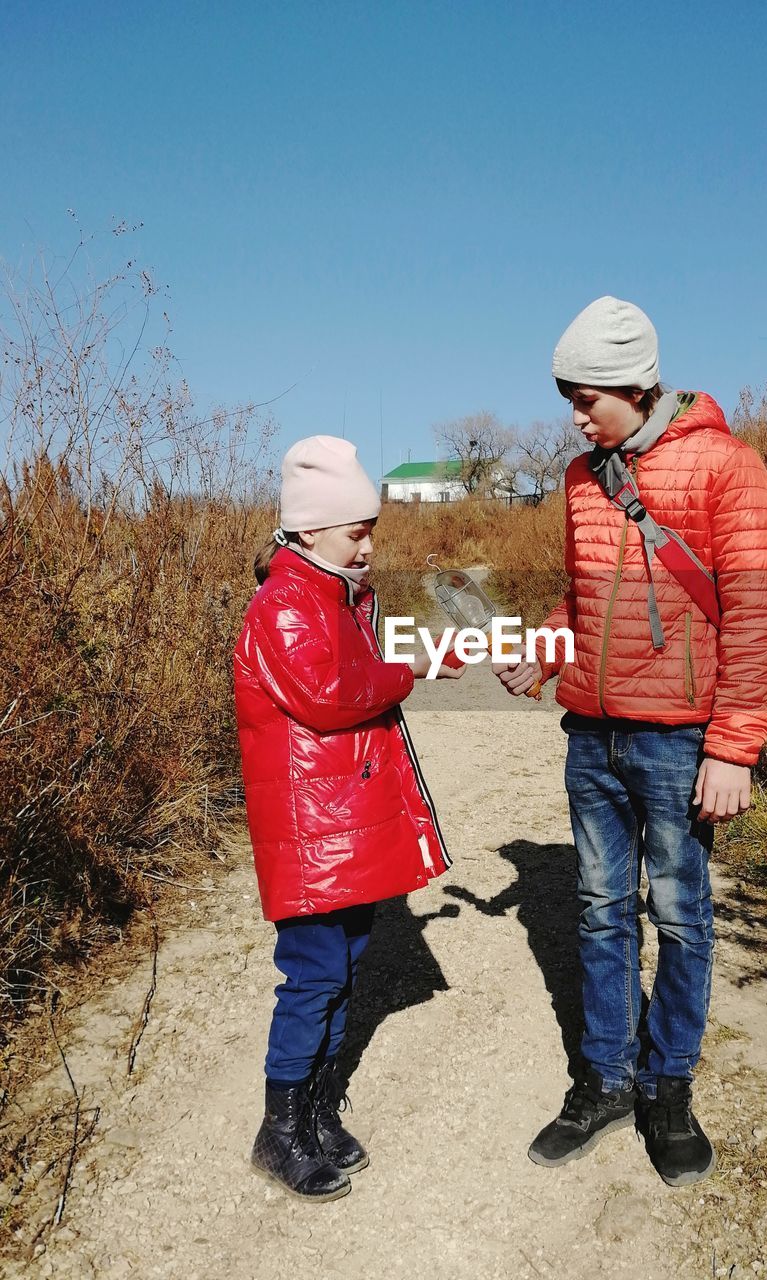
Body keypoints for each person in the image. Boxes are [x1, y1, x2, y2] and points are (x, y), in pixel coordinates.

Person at [496, 296, 767, 1186]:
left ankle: (668, 1091)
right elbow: (580, 601)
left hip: (679, 743)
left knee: (682, 916)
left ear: (635, 383)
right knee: (598, 910)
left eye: (585, 398)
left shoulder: (727, 468)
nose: (574, 416)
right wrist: (543, 658)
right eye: (567, 398)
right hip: (592, 736)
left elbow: (757, 612)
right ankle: (606, 1080)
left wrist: (734, 747)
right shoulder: (585, 478)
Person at [233, 435, 461, 1202]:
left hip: (340, 827)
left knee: (348, 965)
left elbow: (356, 676)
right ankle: (279, 1131)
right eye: (354, 528)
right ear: (306, 529)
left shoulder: (336, 595)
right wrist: (415, 666)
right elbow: (331, 696)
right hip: (310, 832)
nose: (368, 542)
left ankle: (318, 1113)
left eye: (370, 526)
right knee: (314, 976)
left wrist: (412, 653)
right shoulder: (285, 604)